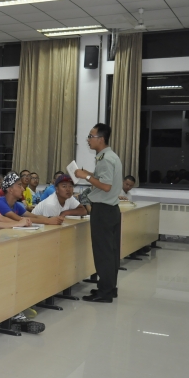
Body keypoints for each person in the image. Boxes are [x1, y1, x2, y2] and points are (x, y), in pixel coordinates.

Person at [74, 123, 123, 303]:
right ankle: (108, 287)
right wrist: (87, 173)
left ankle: (106, 292)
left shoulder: (105, 159)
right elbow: (102, 180)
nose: (88, 139)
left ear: (101, 139)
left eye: (91, 136)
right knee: (111, 251)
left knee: (104, 252)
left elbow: (106, 186)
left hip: (103, 210)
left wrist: (86, 176)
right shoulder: (110, 156)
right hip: (111, 209)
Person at [0, 172, 66, 225]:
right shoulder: (0, 203)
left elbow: (35, 216)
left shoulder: (16, 205)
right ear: (10, 190)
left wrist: (52, 219)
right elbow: (19, 219)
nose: (23, 189)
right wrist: (48, 221)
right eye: (19, 185)